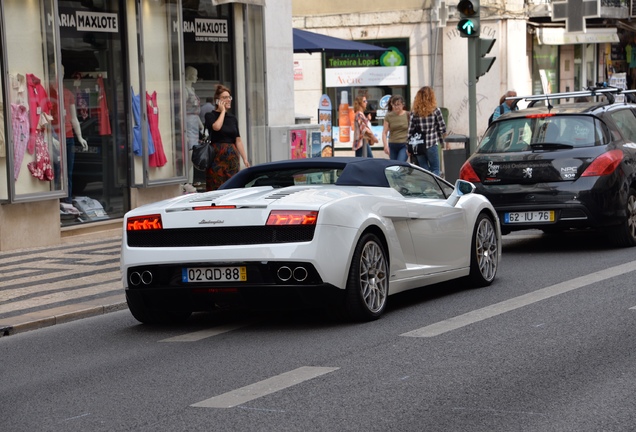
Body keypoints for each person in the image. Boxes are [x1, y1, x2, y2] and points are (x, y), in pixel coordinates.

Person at [49, 66, 88, 202]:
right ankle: (57, 203)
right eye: (55, 72)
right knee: (56, 171)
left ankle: (68, 202)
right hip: (55, 137)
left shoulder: (68, 93)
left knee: (68, 172)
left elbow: (74, 118)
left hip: (69, 137)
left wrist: (80, 136)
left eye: (61, 72)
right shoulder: (48, 92)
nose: (59, 75)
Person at [203, 84, 250, 191]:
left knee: (233, 186)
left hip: (231, 156)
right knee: (215, 185)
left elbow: (238, 140)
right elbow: (216, 127)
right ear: (217, 101)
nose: (228, 100)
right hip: (216, 156)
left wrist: (245, 158)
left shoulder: (233, 118)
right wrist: (223, 111)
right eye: (225, 98)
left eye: (229, 97)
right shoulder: (210, 115)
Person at [407, 86, 447, 176]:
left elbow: (410, 131)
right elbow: (442, 128)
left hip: (419, 145)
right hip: (432, 144)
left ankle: (427, 188)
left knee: (424, 171)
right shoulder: (436, 111)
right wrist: (444, 142)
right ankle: (434, 189)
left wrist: (408, 147)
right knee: (435, 169)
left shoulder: (414, 113)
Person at [184, 66, 204, 190]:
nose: (196, 77)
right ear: (190, 75)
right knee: (190, 156)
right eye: (195, 74)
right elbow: (181, 112)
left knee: (193, 155)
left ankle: (190, 183)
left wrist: (202, 127)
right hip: (188, 125)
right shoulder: (185, 90)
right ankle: (186, 182)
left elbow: (196, 112)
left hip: (194, 126)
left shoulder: (191, 89)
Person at [382, 95, 409, 161]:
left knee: (400, 164)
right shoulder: (389, 116)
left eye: (398, 105)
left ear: (403, 105)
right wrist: (385, 146)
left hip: (404, 145)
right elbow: (384, 132)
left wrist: (410, 147)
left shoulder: (408, 115)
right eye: (394, 105)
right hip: (392, 145)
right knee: (394, 166)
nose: (396, 107)